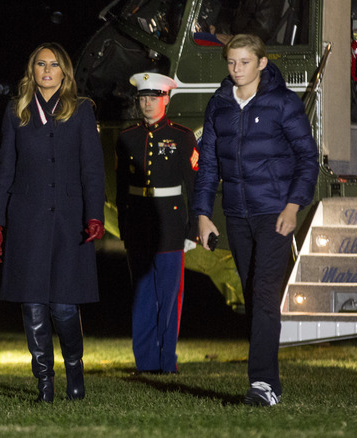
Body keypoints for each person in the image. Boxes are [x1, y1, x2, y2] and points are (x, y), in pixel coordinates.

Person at [193, 34, 318, 406]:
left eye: (245, 62)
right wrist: (202, 214)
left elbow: (307, 159)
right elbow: (208, 165)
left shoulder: (282, 103)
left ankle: (261, 384)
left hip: (275, 214)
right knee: (252, 297)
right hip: (236, 214)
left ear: (262, 63)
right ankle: (271, 382)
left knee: (264, 295)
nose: (237, 69)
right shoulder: (219, 105)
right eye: (231, 62)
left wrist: (293, 207)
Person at [0, 42, 105, 403]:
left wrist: (94, 213)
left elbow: (92, 169)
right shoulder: (16, 112)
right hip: (27, 221)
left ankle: (74, 373)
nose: (47, 70)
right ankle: (44, 384)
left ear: (64, 71)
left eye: (54, 64)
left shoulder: (81, 111)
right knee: (33, 304)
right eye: (41, 64)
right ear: (32, 70)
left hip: (70, 222)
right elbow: (5, 169)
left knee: (65, 306)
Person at [116, 73, 199, 375]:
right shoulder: (127, 137)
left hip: (170, 226)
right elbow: (121, 185)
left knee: (168, 297)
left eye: (154, 98)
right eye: (142, 98)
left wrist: (193, 230)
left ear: (166, 99)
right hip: (138, 223)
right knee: (142, 297)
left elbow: (194, 186)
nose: (147, 104)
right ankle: (146, 363)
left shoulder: (181, 136)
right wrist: (123, 225)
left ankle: (166, 362)